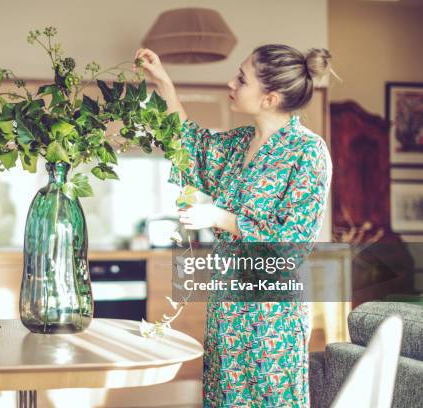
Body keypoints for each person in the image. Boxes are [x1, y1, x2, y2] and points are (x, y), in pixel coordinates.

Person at [134, 44, 334, 407]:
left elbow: (293, 244)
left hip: (272, 317)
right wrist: (163, 83)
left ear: (270, 98)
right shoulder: (240, 142)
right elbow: (192, 145)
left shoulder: (308, 152)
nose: (231, 81)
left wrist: (220, 218)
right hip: (227, 311)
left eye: (242, 78)